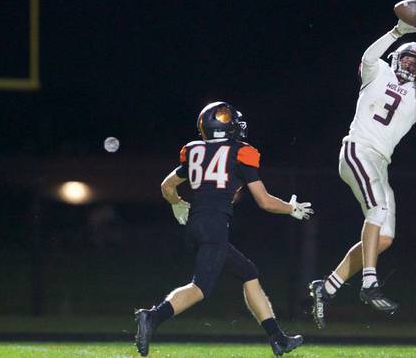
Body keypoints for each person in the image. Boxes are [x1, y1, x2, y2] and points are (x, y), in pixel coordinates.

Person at [134, 101, 313, 357]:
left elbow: (167, 185)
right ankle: (152, 316)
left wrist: (177, 204)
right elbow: (264, 200)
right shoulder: (241, 152)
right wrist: (290, 208)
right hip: (214, 226)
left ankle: (277, 338)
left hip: (196, 225)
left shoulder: (194, 151)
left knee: (249, 272)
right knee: (200, 289)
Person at [309, 13, 416, 328]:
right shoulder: (378, 71)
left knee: (384, 237)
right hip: (357, 150)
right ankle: (369, 282)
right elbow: (368, 56)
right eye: (408, 58)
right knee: (377, 208)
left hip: (380, 164)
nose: (411, 65)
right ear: (397, 57)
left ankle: (327, 287)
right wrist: (397, 31)